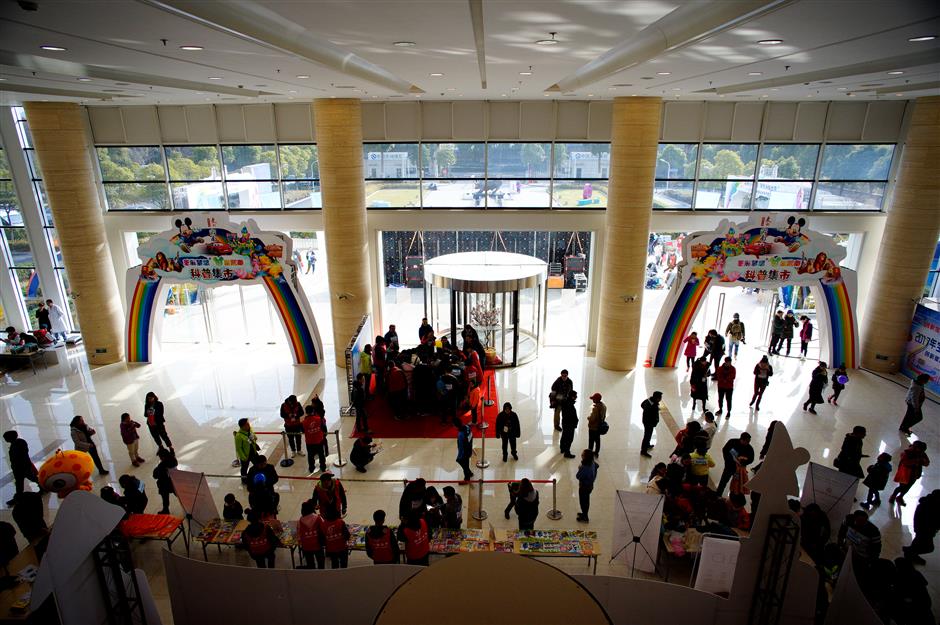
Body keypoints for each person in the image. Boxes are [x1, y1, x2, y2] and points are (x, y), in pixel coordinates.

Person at [902, 489, 940, 565]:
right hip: (925, 530)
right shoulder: (929, 506)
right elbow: (933, 519)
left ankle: (911, 552)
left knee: (918, 542)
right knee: (929, 548)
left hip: (922, 529)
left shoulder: (927, 504)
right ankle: (910, 552)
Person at [3, 431, 40, 506]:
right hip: (22, 467)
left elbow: (18, 458)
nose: (5, 439)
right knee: (23, 482)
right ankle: (19, 496)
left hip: (22, 467)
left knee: (29, 479)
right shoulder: (20, 442)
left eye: (5, 438)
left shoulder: (16, 445)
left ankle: (42, 487)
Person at [889, 441, 930, 507]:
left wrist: (923, 460)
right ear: (916, 447)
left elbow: (927, 463)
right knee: (901, 487)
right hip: (905, 473)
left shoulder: (922, 453)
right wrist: (916, 461)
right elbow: (905, 462)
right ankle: (893, 496)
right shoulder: (907, 452)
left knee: (908, 487)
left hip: (914, 474)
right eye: (920, 449)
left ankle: (900, 497)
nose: (921, 451)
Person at [297, 499, 324, 569]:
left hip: (306, 546)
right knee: (320, 562)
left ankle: (312, 576)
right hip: (317, 544)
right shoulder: (317, 518)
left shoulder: (300, 520)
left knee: (310, 564)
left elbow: (299, 533)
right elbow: (323, 528)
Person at [303, 404, 329, 473]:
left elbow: (303, 431)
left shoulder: (304, 422)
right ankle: (323, 467)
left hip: (309, 442)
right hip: (319, 440)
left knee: (310, 455)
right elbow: (323, 427)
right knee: (321, 454)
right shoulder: (318, 419)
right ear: (313, 411)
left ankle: (311, 468)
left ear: (306, 412)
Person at [152, 447, 178, 514]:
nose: (160, 458)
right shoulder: (174, 460)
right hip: (175, 481)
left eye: (160, 457)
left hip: (165, 484)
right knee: (179, 495)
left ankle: (166, 509)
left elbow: (155, 476)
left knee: (165, 497)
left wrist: (157, 469)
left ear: (163, 457)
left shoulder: (162, 465)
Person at [576, 449, 599, 523]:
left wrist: (579, 468)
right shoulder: (592, 463)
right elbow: (597, 466)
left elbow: (578, 476)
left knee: (583, 502)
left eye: (582, 455)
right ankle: (584, 513)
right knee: (586, 500)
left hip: (584, 487)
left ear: (586, 457)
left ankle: (585, 517)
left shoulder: (584, 467)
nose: (581, 455)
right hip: (590, 486)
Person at [234, 418, 258, 484]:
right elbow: (239, 448)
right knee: (244, 468)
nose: (249, 425)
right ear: (243, 426)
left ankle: (256, 476)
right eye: (247, 424)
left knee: (257, 464)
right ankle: (244, 480)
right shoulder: (239, 436)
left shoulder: (250, 430)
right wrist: (244, 457)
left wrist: (254, 437)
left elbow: (254, 437)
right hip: (245, 455)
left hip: (253, 451)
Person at [640, 391, 662, 457]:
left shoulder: (649, 400)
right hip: (649, 423)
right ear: (657, 398)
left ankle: (647, 445)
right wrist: (653, 421)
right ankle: (643, 451)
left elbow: (642, 404)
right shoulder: (652, 405)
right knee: (647, 436)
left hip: (647, 422)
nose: (661, 399)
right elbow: (651, 414)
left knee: (648, 435)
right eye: (660, 397)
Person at [559, 390, 579, 459]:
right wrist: (575, 422)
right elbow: (571, 416)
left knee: (564, 435)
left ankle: (562, 448)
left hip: (565, 422)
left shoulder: (565, 402)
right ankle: (567, 452)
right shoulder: (570, 404)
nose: (577, 397)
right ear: (572, 397)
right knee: (569, 438)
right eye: (575, 396)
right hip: (570, 424)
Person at [586, 393, 606, 457]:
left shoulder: (595, 408)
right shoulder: (603, 406)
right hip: (599, 426)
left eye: (593, 399)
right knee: (597, 440)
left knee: (591, 441)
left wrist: (589, 418)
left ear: (596, 400)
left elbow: (592, 419)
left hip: (593, 427)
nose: (592, 400)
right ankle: (596, 452)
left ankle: (589, 453)